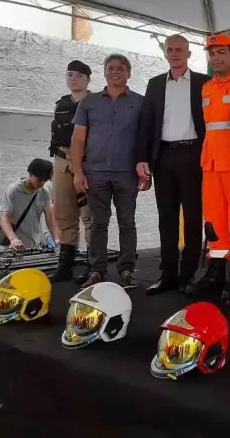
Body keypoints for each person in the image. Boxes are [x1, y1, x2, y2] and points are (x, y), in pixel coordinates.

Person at [137, 35, 210, 296]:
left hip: (193, 154)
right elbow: (146, 124)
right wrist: (142, 158)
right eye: (170, 50)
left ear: (189, 54)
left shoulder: (204, 82)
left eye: (180, 50)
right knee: (166, 218)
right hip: (163, 156)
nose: (175, 53)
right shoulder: (154, 84)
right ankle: (167, 274)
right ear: (165, 54)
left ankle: (188, 275)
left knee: (192, 218)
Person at [71, 54, 145, 289]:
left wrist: (145, 169)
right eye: (110, 68)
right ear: (104, 72)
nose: (115, 72)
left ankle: (126, 271)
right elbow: (78, 139)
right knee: (98, 223)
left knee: (127, 223)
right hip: (95, 172)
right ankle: (97, 271)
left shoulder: (140, 102)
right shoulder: (88, 103)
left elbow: (146, 140)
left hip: (127, 174)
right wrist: (78, 173)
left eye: (120, 69)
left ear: (129, 73)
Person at [198, 33, 230, 301]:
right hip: (210, 162)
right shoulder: (206, 88)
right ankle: (214, 270)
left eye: (221, 53)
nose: (215, 58)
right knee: (213, 220)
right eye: (212, 53)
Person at [48, 60, 95, 283]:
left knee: (90, 215)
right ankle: (65, 263)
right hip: (61, 160)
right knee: (64, 213)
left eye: (78, 75)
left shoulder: (96, 102)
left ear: (88, 79)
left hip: (87, 163)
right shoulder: (61, 104)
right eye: (69, 75)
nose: (73, 79)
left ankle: (94, 264)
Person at [0, 159, 58, 251]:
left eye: (45, 180)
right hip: (14, 245)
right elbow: (4, 217)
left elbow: (50, 219)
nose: (42, 183)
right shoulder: (14, 190)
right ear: (30, 174)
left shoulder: (44, 193)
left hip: (34, 244)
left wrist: (57, 238)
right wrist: (13, 239)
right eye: (39, 180)